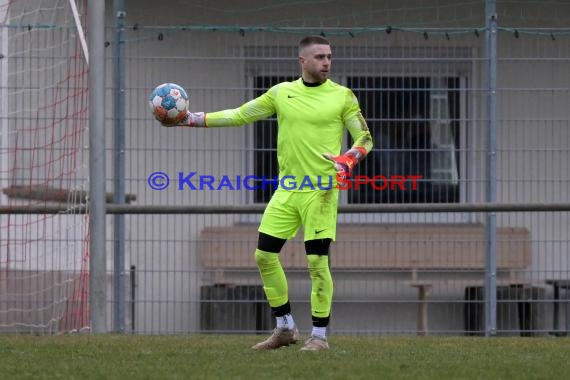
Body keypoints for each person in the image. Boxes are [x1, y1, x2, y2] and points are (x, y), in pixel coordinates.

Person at [164, 35, 373, 351]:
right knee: (263, 255)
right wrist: (191, 119)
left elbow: (365, 138)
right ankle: (285, 327)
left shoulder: (343, 96)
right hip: (287, 192)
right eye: (319, 57)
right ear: (303, 61)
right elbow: (240, 114)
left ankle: (319, 337)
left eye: (329, 56)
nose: (326, 62)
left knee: (317, 263)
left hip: (322, 193)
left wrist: (348, 158)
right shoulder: (281, 93)